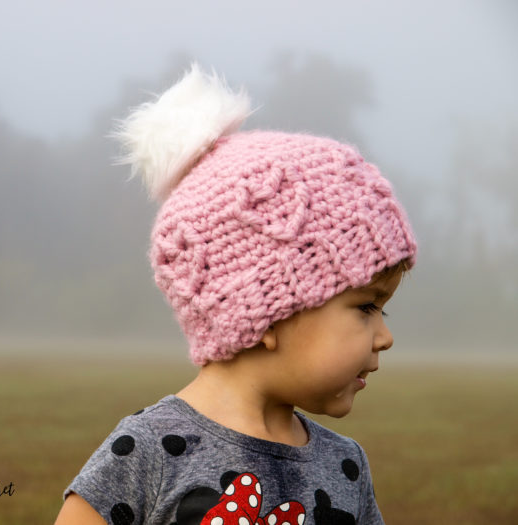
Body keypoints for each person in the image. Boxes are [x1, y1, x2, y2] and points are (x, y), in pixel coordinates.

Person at [54, 64, 417, 525]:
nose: (385, 336)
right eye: (366, 306)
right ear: (267, 313)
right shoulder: (150, 452)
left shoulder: (345, 466)